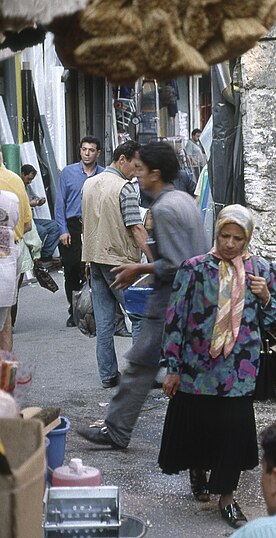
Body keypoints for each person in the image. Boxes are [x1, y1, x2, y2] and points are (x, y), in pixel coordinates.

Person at [158, 204, 276, 529]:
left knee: (232, 431)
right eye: (224, 236)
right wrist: (171, 367)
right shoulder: (195, 269)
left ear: (248, 238)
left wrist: (266, 297)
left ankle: (227, 497)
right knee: (200, 426)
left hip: (238, 368)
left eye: (237, 239)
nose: (229, 244)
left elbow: (272, 319)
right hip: (196, 367)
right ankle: (198, 469)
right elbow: (175, 320)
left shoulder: (262, 270)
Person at [77, 142, 208, 449]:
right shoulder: (184, 200)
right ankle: (119, 428)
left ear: (155, 174)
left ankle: (122, 430)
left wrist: (140, 267)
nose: (136, 176)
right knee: (146, 365)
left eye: (140, 170)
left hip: (172, 301)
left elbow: (177, 265)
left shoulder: (164, 208)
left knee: (142, 364)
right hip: (190, 298)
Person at [82, 140, 151, 388]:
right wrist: (155, 261)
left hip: (95, 258)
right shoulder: (124, 188)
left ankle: (108, 375)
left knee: (104, 322)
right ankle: (138, 375)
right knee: (140, 315)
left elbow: (87, 223)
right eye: (135, 165)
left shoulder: (89, 184)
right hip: (119, 261)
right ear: (122, 159)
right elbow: (137, 229)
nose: (137, 170)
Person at [56, 135, 104, 327]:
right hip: (72, 227)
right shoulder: (68, 173)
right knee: (71, 269)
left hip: (94, 225)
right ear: (80, 150)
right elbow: (60, 203)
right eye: (84, 149)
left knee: (93, 269)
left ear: (98, 153)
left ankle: (92, 310)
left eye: (91, 150)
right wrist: (63, 230)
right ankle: (73, 310)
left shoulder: (103, 175)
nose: (87, 153)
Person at [0, 156, 32, 350]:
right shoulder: (14, 181)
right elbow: (27, 224)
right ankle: (6, 378)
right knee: (5, 322)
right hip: (10, 254)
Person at [20, 164, 60, 265]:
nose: (29, 182)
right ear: (23, 174)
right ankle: (34, 257)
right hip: (24, 221)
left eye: (31, 180)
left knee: (55, 226)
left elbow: (35, 198)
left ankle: (46, 255)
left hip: (32, 220)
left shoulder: (28, 187)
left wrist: (40, 200)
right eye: (28, 179)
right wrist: (30, 203)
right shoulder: (18, 186)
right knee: (41, 231)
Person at [0, 190, 20, 351]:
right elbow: (24, 224)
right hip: (5, 274)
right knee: (5, 326)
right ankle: (6, 376)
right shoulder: (11, 199)